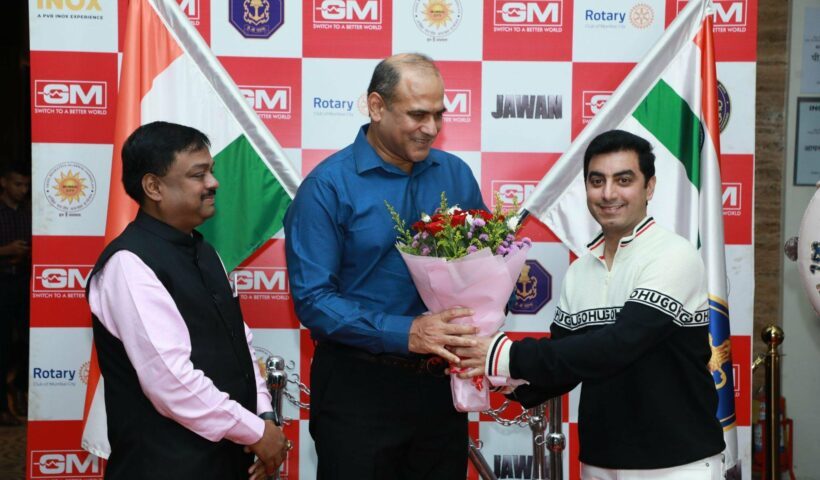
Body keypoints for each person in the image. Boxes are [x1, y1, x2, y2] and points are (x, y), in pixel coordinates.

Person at [455, 130, 726, 479]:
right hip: (599, 462)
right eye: (597, 181)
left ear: (649, 187)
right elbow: (567, 363)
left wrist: (503, 355)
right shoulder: (580, 270)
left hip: (678, 465)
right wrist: (498, 377)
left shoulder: (674, 255)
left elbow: (619, 345)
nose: (608, 193)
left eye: (623, 180)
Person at [284, 53, 484, 479]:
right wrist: (405, 332)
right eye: (417, 114)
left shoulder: (456, 175)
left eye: (438, 114)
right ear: (376, 106)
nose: (431, 127)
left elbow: (483, 264)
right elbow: (313, 300)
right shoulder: (326, 186)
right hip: (358, 388)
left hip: (440, 388)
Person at [86, 122, 288, 479]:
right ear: (154, 187)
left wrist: (265, 418)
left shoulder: (206, 251)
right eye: (199, 174)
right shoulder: (128, 264)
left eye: (211, 171)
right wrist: (257, 433)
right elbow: (170, 383)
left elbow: (240, 344)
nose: (214, 183)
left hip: (228, 460)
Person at [0, 163, 31, 426]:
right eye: (18, 184)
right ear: (4, 183)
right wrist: (6, 250)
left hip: (23, 283)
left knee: (30, 341)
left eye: (26, 185)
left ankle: (17, 385)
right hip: (2, 283)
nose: (23, 190)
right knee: (2, 343)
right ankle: (3, 406)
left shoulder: (28, 212)